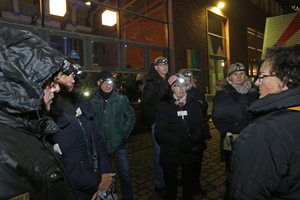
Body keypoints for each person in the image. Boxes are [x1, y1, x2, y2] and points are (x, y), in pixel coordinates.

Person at [0, 27, 77, 199]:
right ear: (23, 83)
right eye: (49, 81)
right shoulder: (4, 154)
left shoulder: (25, 125)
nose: (57, 87)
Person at [225, 44, 300, 199]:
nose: (257, 82)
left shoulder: (264, 132)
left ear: (286, 80)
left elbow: (244, 193)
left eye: (262, 76)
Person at [49, 63, 115, 200]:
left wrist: (106, 175)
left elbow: (98, 141)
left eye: (73, 76)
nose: (72, 80)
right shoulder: (47, 112)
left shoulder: (82, 103)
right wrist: (96, 183)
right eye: (66, 75)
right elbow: (57, 164)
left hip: (98, 176)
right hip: (75, 190)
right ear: (52, 78)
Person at [155, 74, 206, 200]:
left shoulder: (193, 102)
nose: (181, 89)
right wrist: (179, 141)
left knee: (189, 183)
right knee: (171, 185)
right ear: (172, 88)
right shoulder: (164, 105)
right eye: (177, 86)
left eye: (183, 85)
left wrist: (193, 140)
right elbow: (160, 131)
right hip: (171, 151)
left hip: (190, 150)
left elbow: (200, 124)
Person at [90, 70, 136, 200]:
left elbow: (131, 117)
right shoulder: (92, 102)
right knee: (105, 175)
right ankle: (109, 197)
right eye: (105, 82)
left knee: (125, 174)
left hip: (119, 144)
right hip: (102, 146)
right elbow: (90, 122)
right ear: (99, 83)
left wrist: (123, 134)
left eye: (110, 82)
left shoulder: (121, 99)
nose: (108, 85)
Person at [212, 63, 258, 171]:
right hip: (233, 136)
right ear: (230, 77)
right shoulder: (223, 93)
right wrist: (227, 132)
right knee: (233, 169)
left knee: (250, 168)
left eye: (241, 73)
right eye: (235, 74)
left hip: (252, 135)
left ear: (245, 75)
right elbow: (217, 115)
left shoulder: (253, 91)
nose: (239, 76)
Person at [178, 69, 211, 196]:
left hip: (196, 132)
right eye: (184, 79)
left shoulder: (195, 92)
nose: (186, 82)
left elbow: (204, 106)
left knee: (197, 160)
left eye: (188, 79)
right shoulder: (175, 92)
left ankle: (196, 183)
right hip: (183, 133)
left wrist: (196, 104)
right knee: (185, 160)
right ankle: (187, 184)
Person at [140, 56, 170, 198]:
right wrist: (156, 118)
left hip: (171, 123)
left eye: (166, 64)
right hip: (158, 123)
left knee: (170, 152)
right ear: (156, 67)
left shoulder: (170, 81)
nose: (164, 66)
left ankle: (169, 179)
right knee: (159, 154)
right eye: (161, 64)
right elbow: (144, 106)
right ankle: (160, 184)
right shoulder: (151, 84)